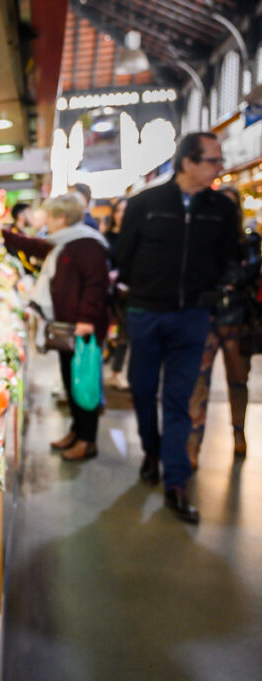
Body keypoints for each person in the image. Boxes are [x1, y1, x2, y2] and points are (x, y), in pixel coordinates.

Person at [113, 132, 241, 524]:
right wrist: (144, 290)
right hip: (147, 312)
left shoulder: (221, 208)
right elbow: (124, 256)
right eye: (213, 160)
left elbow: (229, 256)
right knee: (143, 388)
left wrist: (213, 290)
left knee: (180, 398)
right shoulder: (145, 203)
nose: (220, 167)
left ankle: (176, 482)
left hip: (192, 317)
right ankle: (151, 452)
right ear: (188, 162)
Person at [12, 194, 110, 460]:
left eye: (50, 216)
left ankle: (87, 440)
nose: (45, 221)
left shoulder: (87, 244)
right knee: (70, 381)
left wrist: (86, 321)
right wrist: (1, 236)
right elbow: (34, 246)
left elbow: (96, 285)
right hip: (67, 326)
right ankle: (77, 431)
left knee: (84, 383)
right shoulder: (64, 243)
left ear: (62, 218)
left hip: (82, 329)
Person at [187, 186, 259, 466]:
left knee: (238, 379)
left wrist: (225, 281)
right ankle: (193, 443)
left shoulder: (248, 240)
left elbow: (248, 271)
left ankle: (238, 433)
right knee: (199, 381)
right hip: (205, 317)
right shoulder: (198, 238)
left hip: (236, 319)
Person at [104, 198, 129, 390]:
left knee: (123, 335)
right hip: (107, 295)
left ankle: (116, 373)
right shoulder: (105, 238)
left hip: (127, 295)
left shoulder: (134, 236)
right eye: (118, 210)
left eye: (125, 210)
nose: (121, 214)